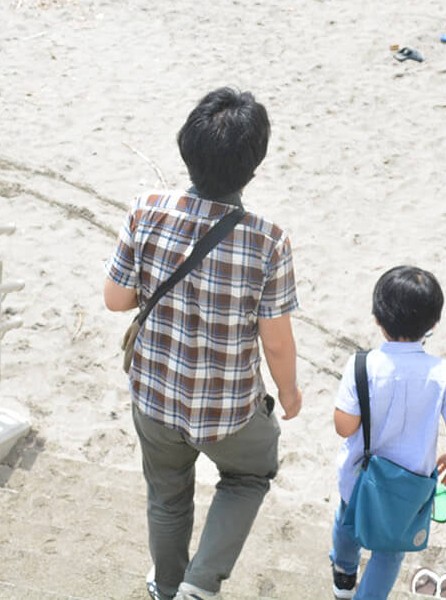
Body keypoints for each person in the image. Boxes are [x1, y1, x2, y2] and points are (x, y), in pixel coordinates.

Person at [104, 87, 302, 600]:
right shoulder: (268, 241)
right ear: (253, 166)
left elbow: (115, 298)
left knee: (167, 496)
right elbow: (276, 344)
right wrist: (292, 394)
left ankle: (168, 585)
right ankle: (201, 584)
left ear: (186, 148)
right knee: (250, 475)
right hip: (228, 410)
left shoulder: (146, 209)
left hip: (155, 397)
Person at [329, 267, 446, 600]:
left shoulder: (360, 366)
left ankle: (344, 577)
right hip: (408, 491)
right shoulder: (445, 373)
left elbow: (344, 427)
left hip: (360, 478)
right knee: (391, 552)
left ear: (378, 318)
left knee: (347, 524)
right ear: (434, 324)